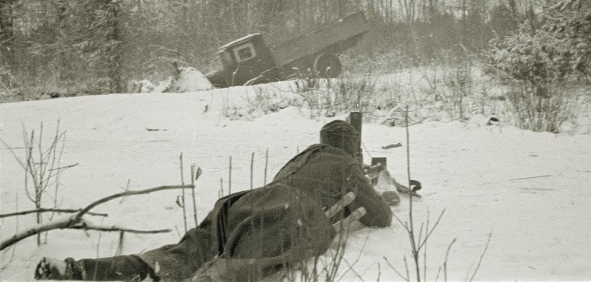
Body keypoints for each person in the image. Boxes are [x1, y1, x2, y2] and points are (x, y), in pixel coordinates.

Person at [34, 120, 392, 281]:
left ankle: (87, 270)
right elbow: (380, 216)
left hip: (242, 202)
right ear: (352, 148)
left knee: (181, 255)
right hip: (290, 212)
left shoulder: (302, 156)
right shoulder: (347, 163)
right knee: (240, 269)